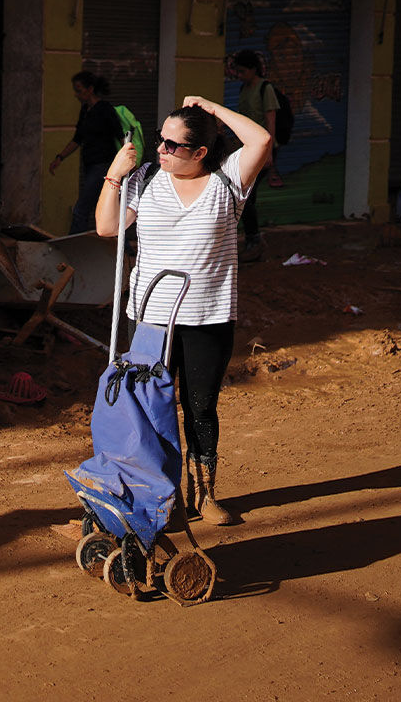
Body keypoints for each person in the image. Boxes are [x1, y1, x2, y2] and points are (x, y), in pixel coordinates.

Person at [94, 96, 272, 525]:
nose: (161, 150)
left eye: (173, 145)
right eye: (160, 141)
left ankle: (204, 494)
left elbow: (261, 139)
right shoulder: (145, 178)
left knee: (199, 406)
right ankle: (156, 493)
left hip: (208, 317)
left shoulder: (229, 181)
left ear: (200, 153)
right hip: (153, 316)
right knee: (149, 405)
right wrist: (115, 175)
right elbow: (106, 227)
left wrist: (211, 107)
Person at [50, 71, 124, 235]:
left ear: (90, 89)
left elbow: (121, 136)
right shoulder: (85, 110)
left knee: (80, 210)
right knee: (106, 208)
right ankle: (124, 246)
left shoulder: (105, 109)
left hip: (103, 166)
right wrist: (60, 157)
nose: (76, 94)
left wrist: (126, 164)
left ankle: (73, 248)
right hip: (90, 167)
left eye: (78, 89)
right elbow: (78, 139)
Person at [229, 49, 279, 262]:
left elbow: (271, 121)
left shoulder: (265, 89)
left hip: (261, 150)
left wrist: (268, 154)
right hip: (247, 149)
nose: (239, 75)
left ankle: (254, 241)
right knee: (246, 196)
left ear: (252, 70)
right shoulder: (244, 89)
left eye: (242, 71)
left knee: (245, 197)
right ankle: (253, 240)